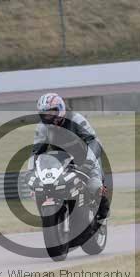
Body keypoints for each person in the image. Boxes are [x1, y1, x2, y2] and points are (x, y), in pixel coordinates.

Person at [31, 92, 109, 221]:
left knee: (94, 187)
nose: (49, 116)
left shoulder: (76, 119)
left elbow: (94, 141)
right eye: (45, 114)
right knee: (41, 190)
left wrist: (88, 163)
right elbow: (36, 153)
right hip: (61, 163)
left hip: (85, 159)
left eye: (52, 111)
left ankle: (101, 216)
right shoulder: (42, 127)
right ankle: (52, 219)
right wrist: (32, 173)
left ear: (61, 108)